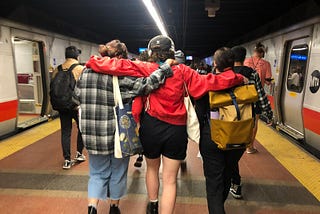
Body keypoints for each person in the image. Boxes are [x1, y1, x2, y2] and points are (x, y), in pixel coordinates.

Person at [84, 35, 245, 214]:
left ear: (151, 52)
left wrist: (94, 61)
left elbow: (118, 65)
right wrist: (237, 78)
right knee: (170, 180)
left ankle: (153, 204)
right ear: (171, 52)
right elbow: (209, 82)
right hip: (176, 131)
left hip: (151, 127)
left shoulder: (146, 67)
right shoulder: (184, 71)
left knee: (152, 170)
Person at [77, 39, 174, 214]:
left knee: (97, 173)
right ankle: (114, 207)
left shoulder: (85, 71)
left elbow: (76, 96)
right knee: (118, 171)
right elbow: (146, 85)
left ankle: (92, 208)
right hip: (116, 134)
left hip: (91, 133)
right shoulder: (119, 75)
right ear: (121, 57)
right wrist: (165, 69)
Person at [195, 47, 249, 214]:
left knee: (214, 182)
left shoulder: (207, 83)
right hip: (238, 136)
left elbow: (198, 113)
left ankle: (217, 209)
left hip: (213, 136)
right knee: (226, 175)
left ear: (215, 63)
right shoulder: (245, 81)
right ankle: (219, 207)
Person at [229, 46, 273, 199]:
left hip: (227, 118)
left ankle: (232, 180)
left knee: (228, 150)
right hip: (247, 116)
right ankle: (248, 148)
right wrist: (269, 114)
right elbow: (261, 96)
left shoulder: (225, 72)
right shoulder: (251, 73)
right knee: (237, 149)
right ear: (244, 57)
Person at [51, 46, 86, 169]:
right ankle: (79, 153)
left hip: (62, 106)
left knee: (65, 132)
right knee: (82, 129)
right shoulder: (80, 69)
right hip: (76, 106)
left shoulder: (57, 69)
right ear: (77, 56)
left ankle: (67, 160)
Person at [244, 42, 272, 154]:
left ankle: (241, 143)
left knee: (245, 120)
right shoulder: (266, 64)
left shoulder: (246, 61)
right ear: (262, 53)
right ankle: (249, 147)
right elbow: (268, 80)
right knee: (255, 121)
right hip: (256, 96)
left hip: (244, 95)